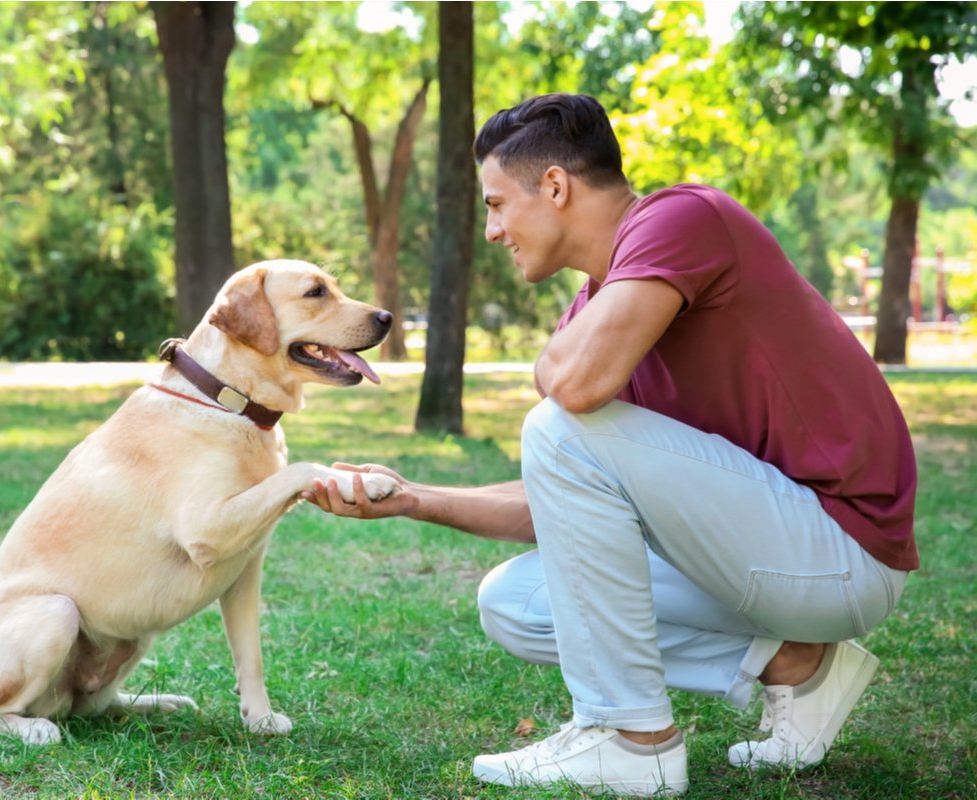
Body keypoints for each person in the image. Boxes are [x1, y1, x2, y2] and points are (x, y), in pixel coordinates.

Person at [301, 93, 917, 796]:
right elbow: (563, 501)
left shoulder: (682, 218)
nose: (493, 230)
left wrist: (550, 364)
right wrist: (414, 499)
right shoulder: (598, 305)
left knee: (560, 423)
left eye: (498, 204)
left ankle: (631, 739)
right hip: (765, 553)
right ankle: (797, 667)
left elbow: (575, 389)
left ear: (556, 186)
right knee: (517, 602)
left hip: (840, 551)